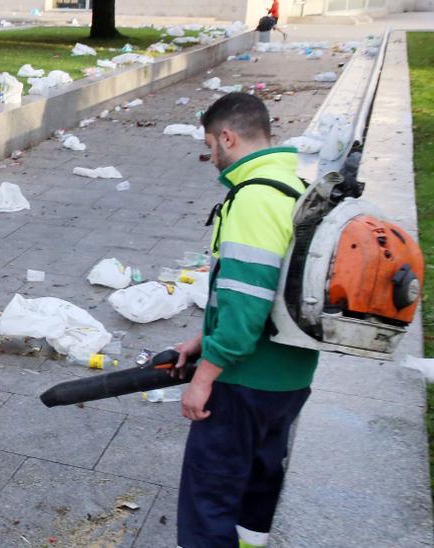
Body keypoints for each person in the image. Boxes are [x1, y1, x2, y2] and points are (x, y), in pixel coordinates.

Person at [172, 92, 319, 548]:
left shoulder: (254, 198)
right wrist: (202, 337)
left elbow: (247, 303)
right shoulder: (296, 182)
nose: (210, 155)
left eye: (210, 145)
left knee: (208, 500)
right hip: (291, 375)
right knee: (258, 486)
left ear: (227, 137)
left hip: (244, 381)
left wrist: (205, 376)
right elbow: (278, 288)